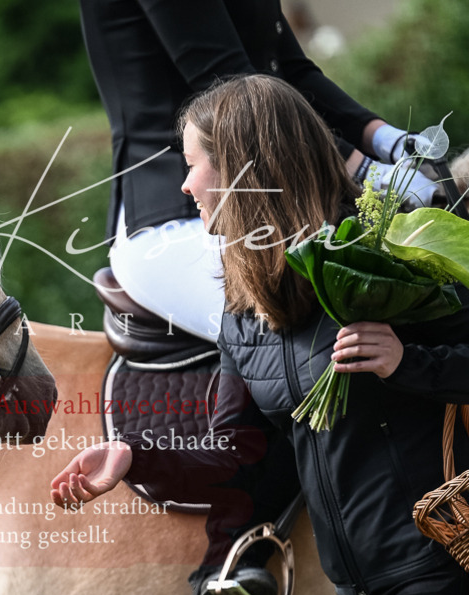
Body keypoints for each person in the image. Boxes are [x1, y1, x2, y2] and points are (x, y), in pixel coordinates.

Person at [52, 75, 469, 595]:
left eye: (196, 165)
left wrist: (411, 363)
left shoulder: (388, 256)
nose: (185, 184)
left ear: (248, 171)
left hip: (437, 574)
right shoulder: (245, 310)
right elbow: (240, 457)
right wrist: (133, 458)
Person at [78, 0, 440, 342]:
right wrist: (366, 170)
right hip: (179, 214)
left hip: (265, 204)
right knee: (310, 334)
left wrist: (389, 141)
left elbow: (290, 73)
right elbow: (229, 85)